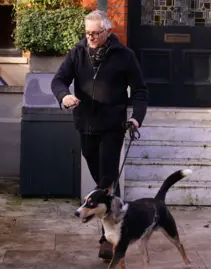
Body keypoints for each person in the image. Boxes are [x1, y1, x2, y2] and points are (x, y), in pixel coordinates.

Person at [50, 9, 148, 261]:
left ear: (108, 31)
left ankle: (108, 238)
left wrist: (136, 117)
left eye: (95, 33)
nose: (90, 37)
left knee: (106, 179)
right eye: (87, 33)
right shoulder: (77, 52)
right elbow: (58, 80)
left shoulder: (124, 56)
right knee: (101, 182)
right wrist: (64, 96)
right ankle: (119, 213)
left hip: (112, 126)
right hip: (85, 124)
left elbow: (139, 91)